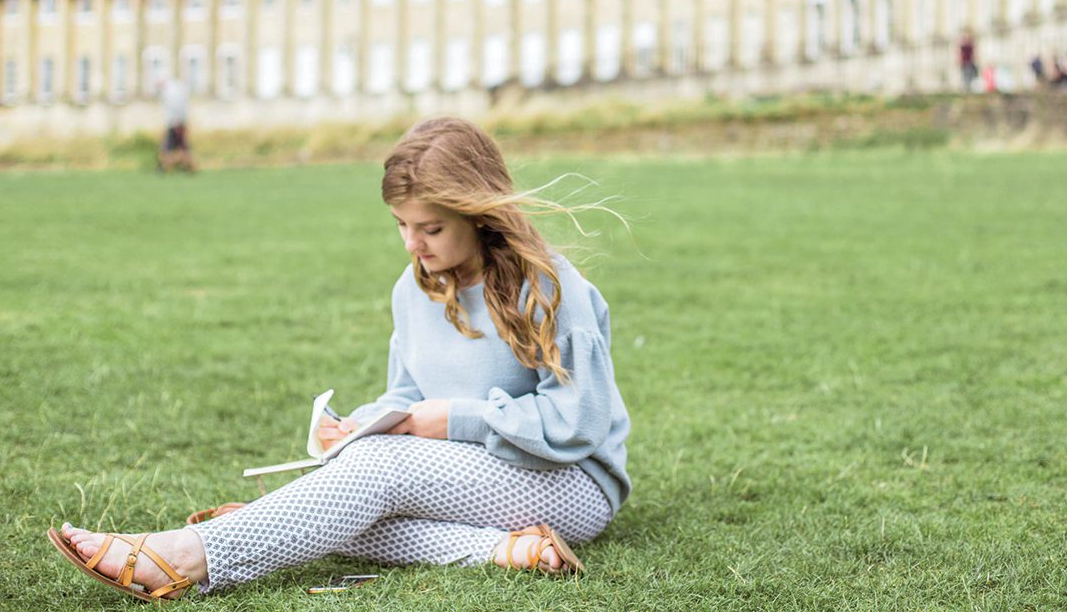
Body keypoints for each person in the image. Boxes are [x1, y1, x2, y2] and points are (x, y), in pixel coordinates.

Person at [47, 117, 630, 601]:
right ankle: (503, 550)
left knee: (368, 479)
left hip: (568, 482)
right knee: (349, 483)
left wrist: (451, 419)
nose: (412, 244)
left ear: (479, 213)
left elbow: (580, 421)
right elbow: (406, 392)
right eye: (401, 225)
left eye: (430, 227)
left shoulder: (550, 286)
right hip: (468, 477)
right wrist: (360, 424)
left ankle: (188, 555)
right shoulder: (415, 288)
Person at [158, 76, 196, 172]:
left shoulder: (170, 93)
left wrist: (174, 122)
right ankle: (184, 167)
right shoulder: (176, 91)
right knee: (181, 148)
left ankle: (167, 167)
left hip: (175, 125)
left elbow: (175, 110)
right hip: (176, 124)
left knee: (171, 148)